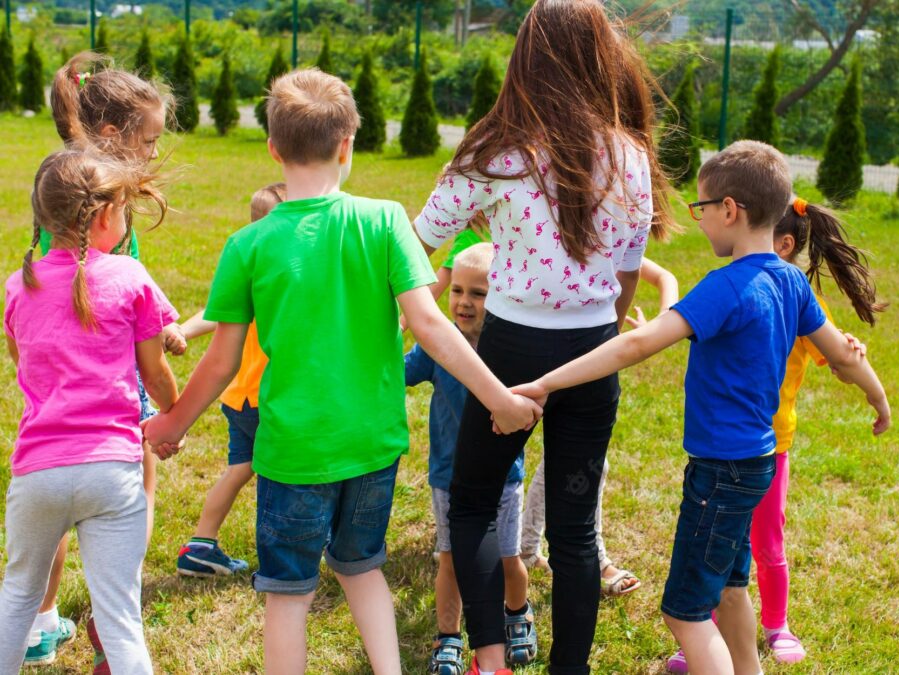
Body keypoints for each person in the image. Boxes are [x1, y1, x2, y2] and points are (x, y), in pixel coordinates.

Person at [142, 69, 540, 675]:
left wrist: (172, 423)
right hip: (372, 448)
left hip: (292, 453)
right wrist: (499, 399)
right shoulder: (385, 221)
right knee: (362, 569)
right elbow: (432, 327)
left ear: (272, 147)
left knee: (289, 594)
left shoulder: (248, 245)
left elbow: (221, 361)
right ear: (348, 145)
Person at [512, 140, 891, 675]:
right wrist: (878, 398)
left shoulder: (724, 287)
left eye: (702, 209)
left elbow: (634, 347)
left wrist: (546, 382)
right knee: (733, 588)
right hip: (756, 466)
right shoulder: (790, 282)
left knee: (686, 613)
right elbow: (843, 357)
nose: (701, 220)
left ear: (730, 210)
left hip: (719, 475)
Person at [411, 2, 675, 672]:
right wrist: (598, 349)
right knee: (576, 530)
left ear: (524, 55)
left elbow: (420, 242)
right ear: (600, 56)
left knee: (470, 506)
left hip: (509, 352)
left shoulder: (496, 147)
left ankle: (492, 658)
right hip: (592, 354)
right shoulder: (630, 154)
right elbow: (624, 280)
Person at [666, 195, 882, 671]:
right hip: (746, 454)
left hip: (747, 456)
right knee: (726, 568)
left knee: (723, 579)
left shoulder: (766, 291)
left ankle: (769, 627)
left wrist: (548, 381)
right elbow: (682, 325)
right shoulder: (766, 288)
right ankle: (723, 651)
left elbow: (842, 358)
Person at [21, 52, 182, 669]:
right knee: (132, 495)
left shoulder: (64, 178)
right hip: (110, 378)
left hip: (58, 382)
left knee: (56, 507)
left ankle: (40, 622)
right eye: (150, 140)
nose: (153, 153)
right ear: (114, 136)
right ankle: (119, 617)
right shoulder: (106, 192)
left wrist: (156, 323)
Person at [405, 243, 535, 673]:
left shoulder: (509, 348)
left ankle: (517, 613)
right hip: (448, 475)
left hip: (504, 475)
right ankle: (448, 637)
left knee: (507, 556)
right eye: (457, 290)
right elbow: (402, 372)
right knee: (450, 559)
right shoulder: (439, 345)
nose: (463, 301)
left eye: (478, 293)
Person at [519, 257, 679, 595]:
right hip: (542, 347)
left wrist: (663, 319)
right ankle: (527, 549)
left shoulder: (614, 233)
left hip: (587, 362)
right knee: (568, 463)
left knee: (582, 463)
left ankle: (538, 550)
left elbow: (662, 274)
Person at [170, 183, 287, 577]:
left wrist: (183, 330)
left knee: (240, 469)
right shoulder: (280, 274)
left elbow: (217, 312)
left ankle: (201, 545)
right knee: (280, 475)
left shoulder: (250, 267)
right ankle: (280, 555)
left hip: (237, 397)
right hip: (266, 399)